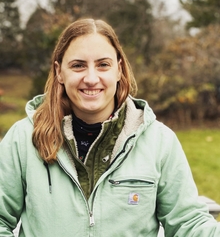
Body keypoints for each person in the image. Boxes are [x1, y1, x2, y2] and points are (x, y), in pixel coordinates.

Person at [0, 18, 219, 237]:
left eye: (103, 65)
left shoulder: (159, 141)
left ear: (119, 70)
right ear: (59, 72)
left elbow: (188, 222)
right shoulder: (24, 138)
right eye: (78, 65)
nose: (91, 78)